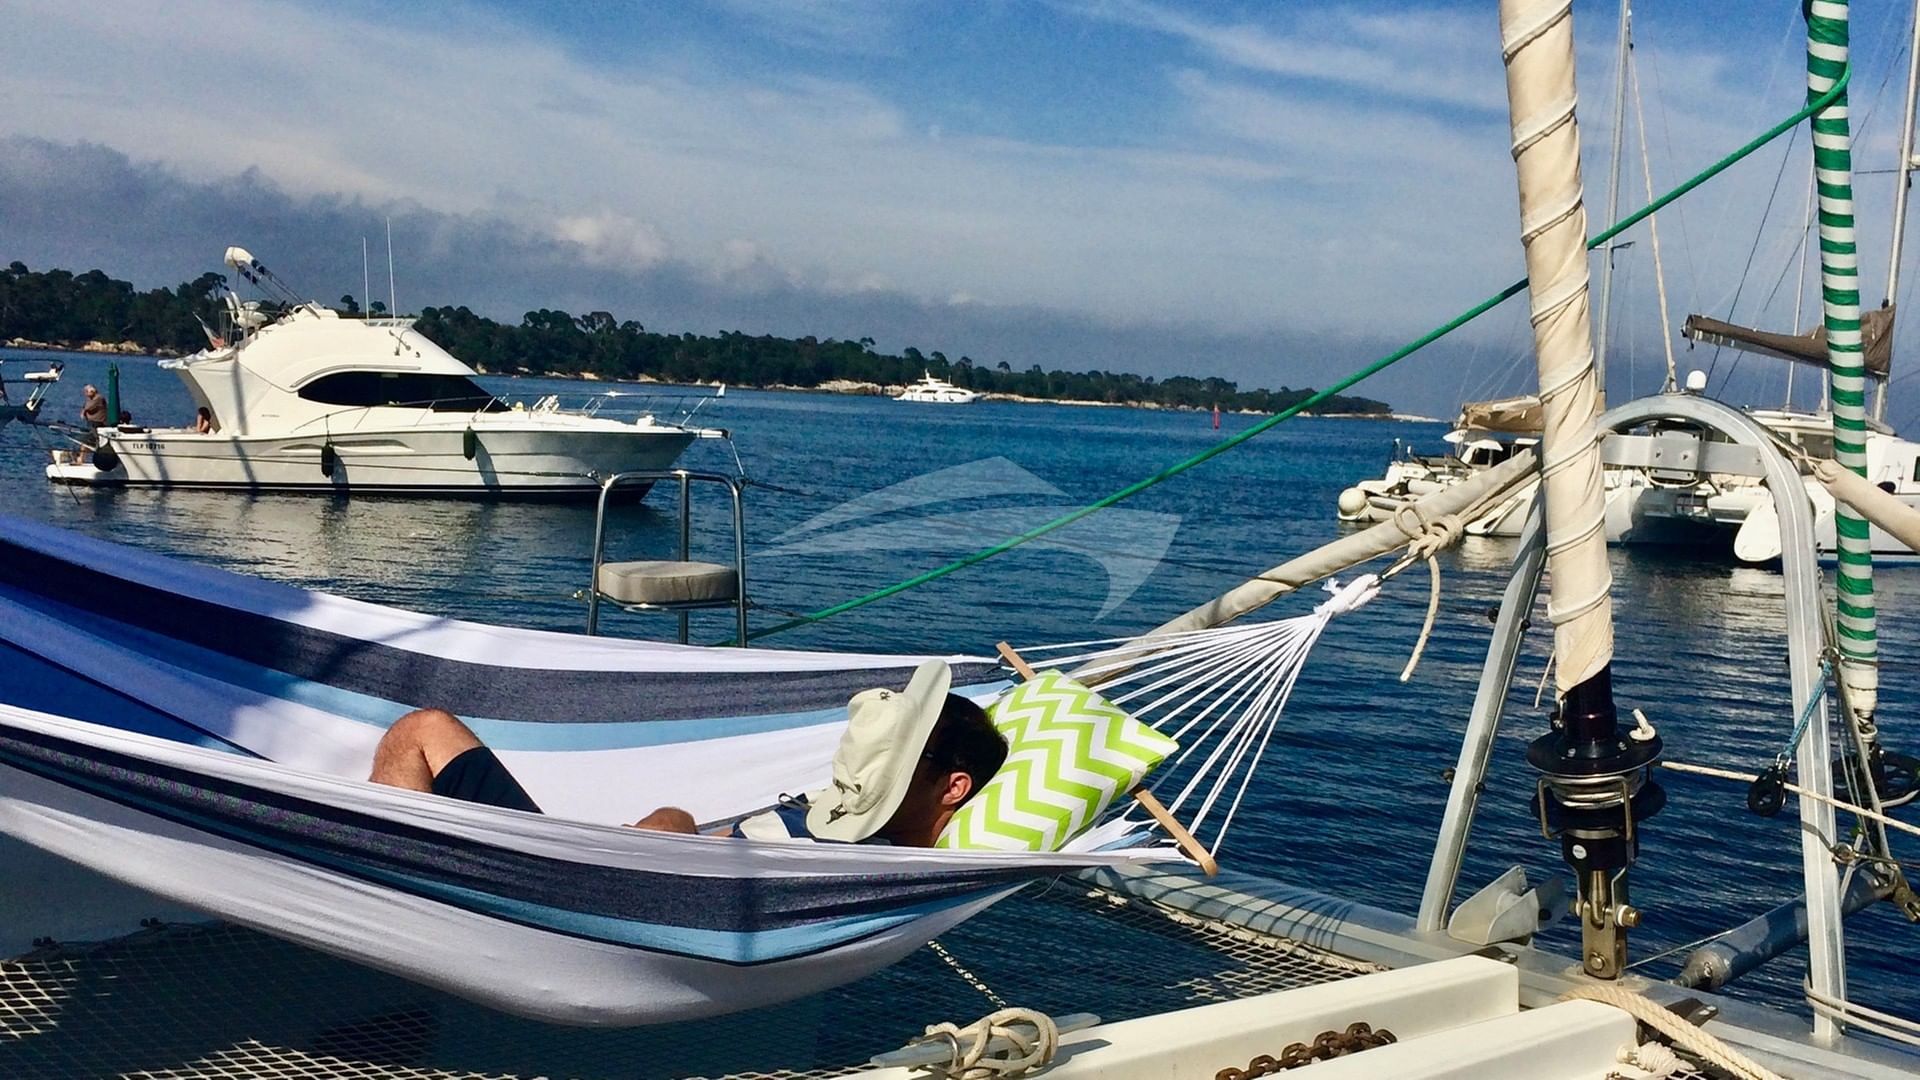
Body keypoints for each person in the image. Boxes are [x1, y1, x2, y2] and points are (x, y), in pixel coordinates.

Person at [367, 660, 1006, 847]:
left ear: (952, 788)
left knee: (419, 731)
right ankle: (414, 868)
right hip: (613, 858)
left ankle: (404, 878)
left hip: (587, 887)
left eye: (892, 760)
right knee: (424, 728)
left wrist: (668, 834)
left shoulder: (881, 868)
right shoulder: (857, 821)